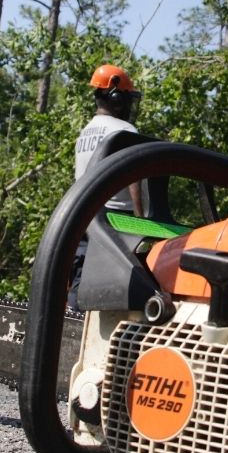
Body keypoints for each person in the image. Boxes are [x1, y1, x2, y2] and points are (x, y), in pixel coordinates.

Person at [69, 64, 143, 309]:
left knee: (82, 278)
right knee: (124, 284)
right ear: (117, 98)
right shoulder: (124, 130)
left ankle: (74, 321)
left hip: (84, 215)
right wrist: (142, 222)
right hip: (117, 219)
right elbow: (133, 178)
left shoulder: (84, 133)